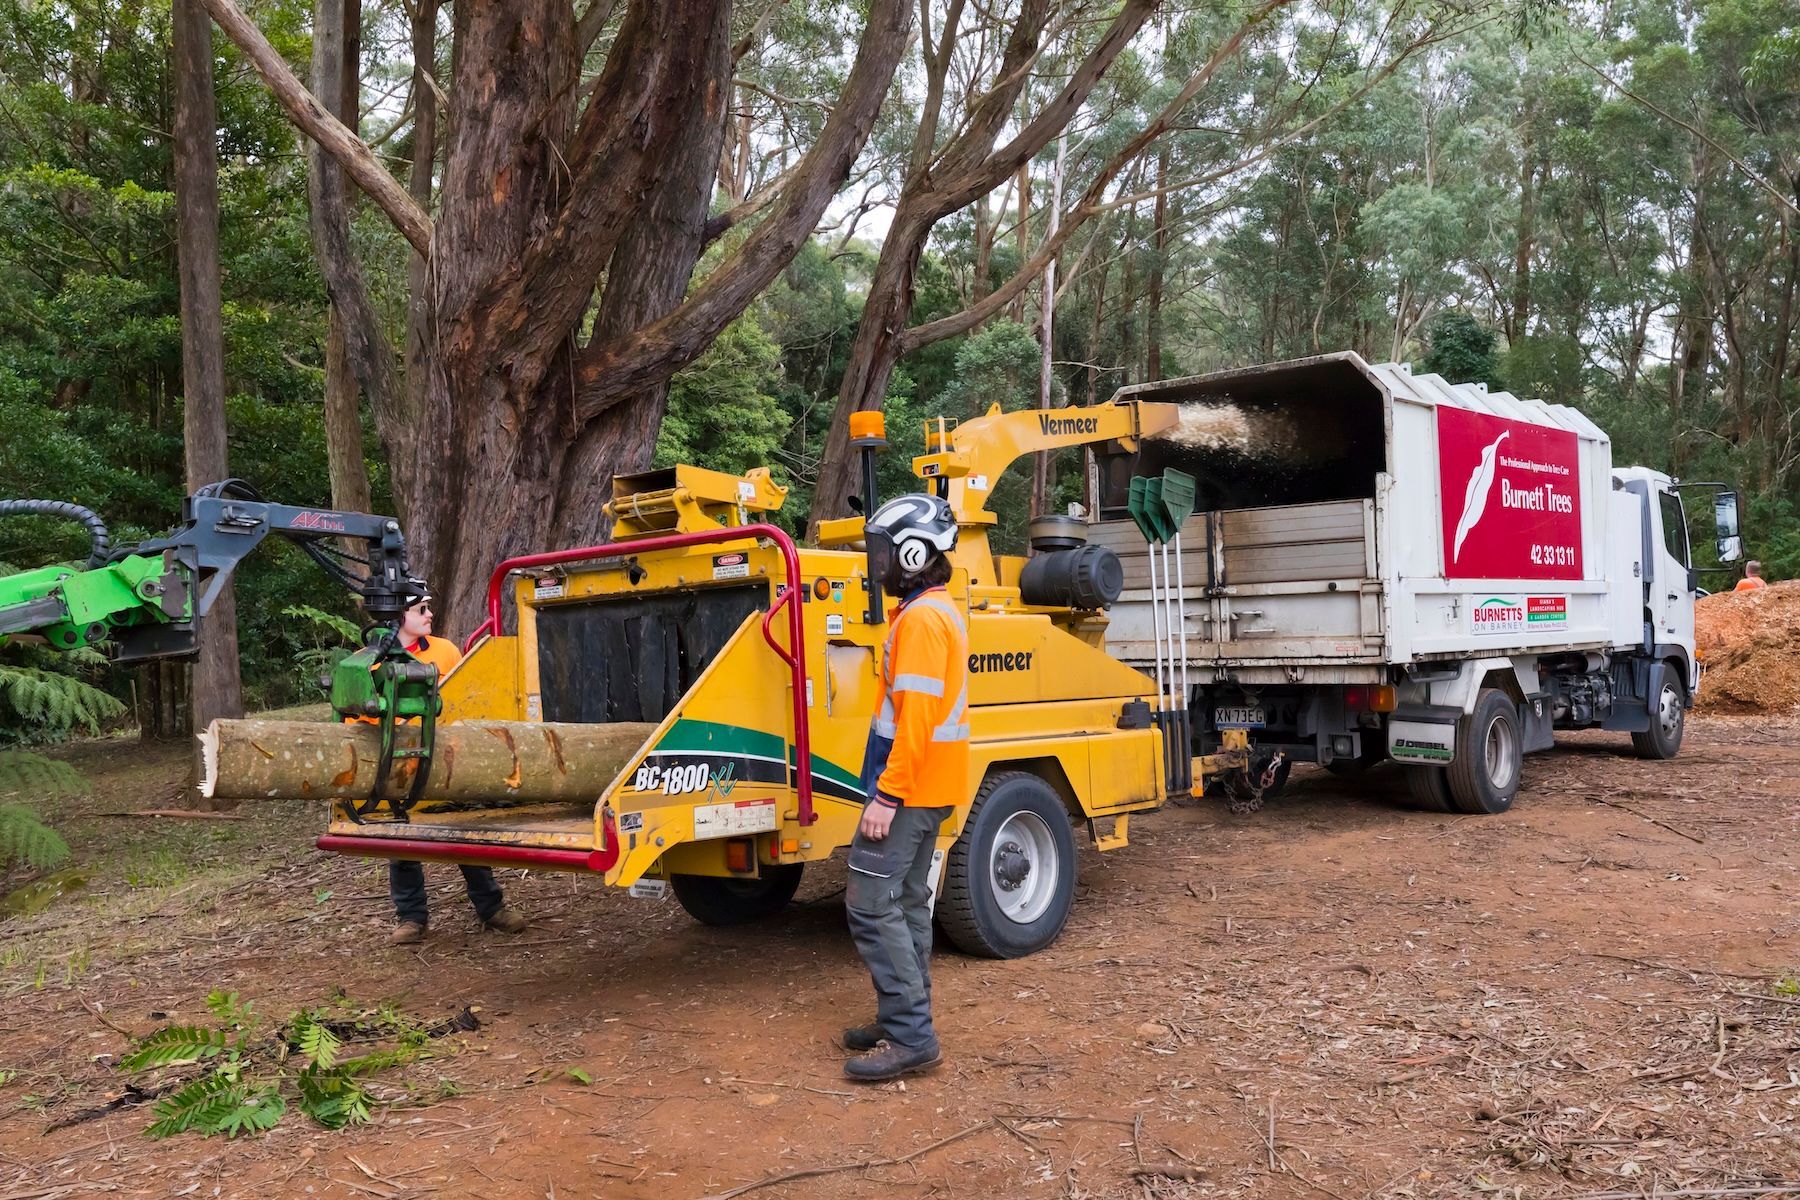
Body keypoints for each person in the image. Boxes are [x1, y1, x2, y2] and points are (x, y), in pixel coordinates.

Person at [840, 494, 969, 1082]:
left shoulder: (921, 620)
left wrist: (886, 796)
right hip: (930, 786)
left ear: (915, 553)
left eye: (884, 551)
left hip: (909, 791)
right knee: (910, 900)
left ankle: (913, 1035)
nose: (879, 563)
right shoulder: (933, 611)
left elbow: (915, 719)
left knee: (870, 906)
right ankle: (903, 1018)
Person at [377, 591, 530, 946]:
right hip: (399, 762)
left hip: (447, 759)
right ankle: (411, 918)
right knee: (402, 840)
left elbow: (465, 696)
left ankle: (491, 908)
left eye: (429, 607)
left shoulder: (445, 651)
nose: (430, 614)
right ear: (399, 616)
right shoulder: (372, 660)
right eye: (421, 610)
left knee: (463, 830)